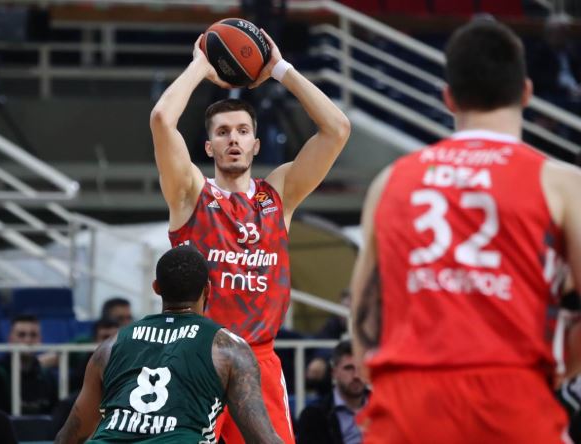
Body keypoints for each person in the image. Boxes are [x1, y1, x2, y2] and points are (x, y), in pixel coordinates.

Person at [350, 19, 581, 444]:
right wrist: (566, 366)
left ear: (448, 97)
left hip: (409, 398)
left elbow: (365, 309)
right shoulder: (561, 182)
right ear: (526, 92)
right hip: (512, 390)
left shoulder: (392, 180)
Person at [150, 27, 350, 444]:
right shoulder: (190, 193)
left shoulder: (279, 194)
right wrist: (200, 66)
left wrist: (279, 68)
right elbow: (162, 120)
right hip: (196, 354)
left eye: (242, 131)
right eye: (222, 132)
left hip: (258, 359)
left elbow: (337, 128)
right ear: (209, 147)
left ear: (256, 145)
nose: (233, 139)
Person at [55, 245, 283, 444]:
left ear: (156, 288)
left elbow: (71, 434)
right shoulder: (228, 348)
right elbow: (262, 439)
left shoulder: (111, 346)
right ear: (208, 289)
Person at [297, 340, 368, 444]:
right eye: (349, 368)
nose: (356, 375)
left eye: (361, 368)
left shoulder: (385, 406)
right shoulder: (314, 416)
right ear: (333, 372)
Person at [0, 314, 58, 415]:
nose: (27, 340)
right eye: (21, 335)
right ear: (10, 339)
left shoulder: (48, 377)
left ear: (40, 340)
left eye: (33, 335)